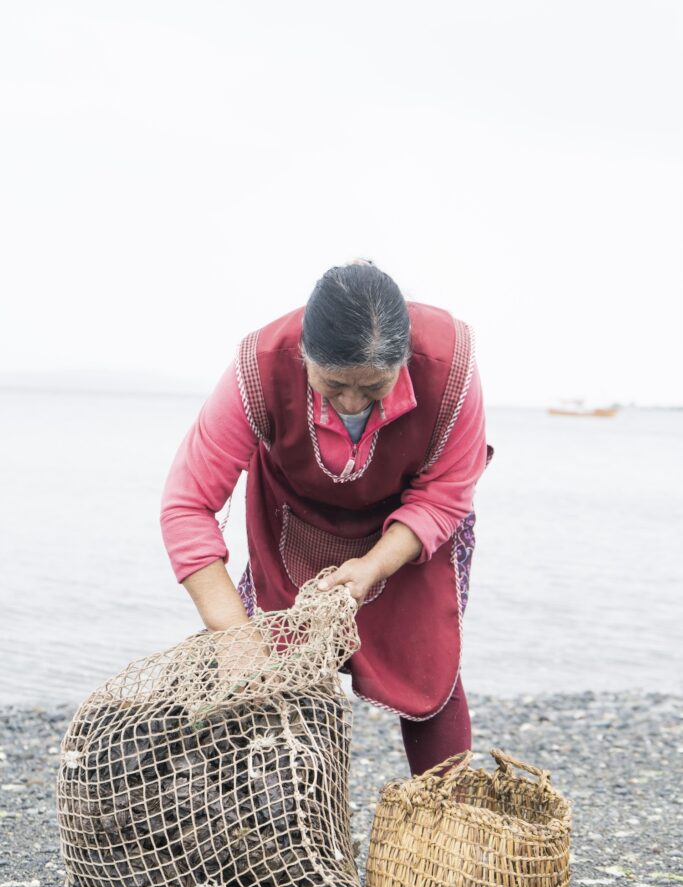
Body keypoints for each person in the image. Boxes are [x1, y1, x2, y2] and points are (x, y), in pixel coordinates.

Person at [160, 261, 493, 775]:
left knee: (427, 664)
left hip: (409, 528)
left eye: (374, 387)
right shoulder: (260, 364)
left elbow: (445, 494)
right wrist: (236, 637)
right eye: (334, 384)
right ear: (304, 356)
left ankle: (447, 821)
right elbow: (187, 504)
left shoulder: (450, 362)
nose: (353, 400)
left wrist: (376, 564)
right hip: (294, 521)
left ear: (403, 362)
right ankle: (290, 824)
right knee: (279, 671)